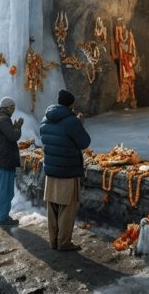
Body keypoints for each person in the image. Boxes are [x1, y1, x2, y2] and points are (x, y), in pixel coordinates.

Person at [39, 89, 91, 251]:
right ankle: (64, 242)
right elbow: (84, 142)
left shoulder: (45, 119)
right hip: (67, 171)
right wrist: (80, 123)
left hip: (51, 171)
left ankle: (54, 241)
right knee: (66, 210)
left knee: (52, 208)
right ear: (71, 105)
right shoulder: (72, 121)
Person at [0, 96, 23, 225]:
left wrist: (12, 127)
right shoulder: (4, 119)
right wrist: (18, 127)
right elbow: (13, 136)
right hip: (5, 161)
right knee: (5, 191)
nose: (13, 110)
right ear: (8, 107)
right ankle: (3, 217)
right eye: (12, 108)